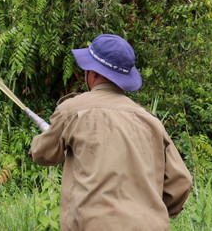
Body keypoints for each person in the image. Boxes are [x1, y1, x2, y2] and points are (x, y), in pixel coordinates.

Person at [30, 33, 192, 230]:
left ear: (95, 74)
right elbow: (181, 182)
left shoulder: (73, 110)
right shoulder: (151, 122)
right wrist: (151, 213)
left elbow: (43, 154)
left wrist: (45, 139)